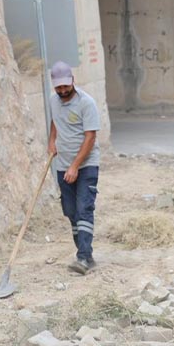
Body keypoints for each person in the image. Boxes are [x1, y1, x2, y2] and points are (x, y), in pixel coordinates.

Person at [47, 61, 102, 275]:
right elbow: (55, 122)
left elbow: (90, 137)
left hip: (86, 165)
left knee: (83, 209)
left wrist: (75, 166)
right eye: (58, 88)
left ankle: (84, 257)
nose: (62, 91)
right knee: (70, 211)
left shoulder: (86, 103)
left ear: (72, 81)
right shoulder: (53, 101)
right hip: (63, 165)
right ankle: (85, 253)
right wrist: (52, 141)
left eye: (65, 86)